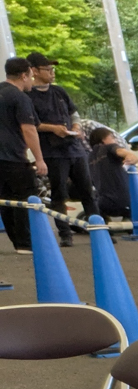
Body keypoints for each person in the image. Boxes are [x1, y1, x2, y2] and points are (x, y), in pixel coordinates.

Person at [27, 54, 92, 247]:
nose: (52, 73)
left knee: (88, 190)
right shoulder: (28, 96)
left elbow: (74, 113)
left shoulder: (60, 92)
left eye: (52, 69)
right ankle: (65, 233)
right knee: (59, 193)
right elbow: (30, 125)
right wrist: (53, 128)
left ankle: (99, 228)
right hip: (52, 151)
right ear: (34, 71)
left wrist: (77, 127)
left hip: (74, 148)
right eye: (47, 69)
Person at [0, 59, 45, 254]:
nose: (32, 80)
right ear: (23, 75)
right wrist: (39, 158)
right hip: (13, 157)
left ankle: (19, 242)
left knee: (5, 201)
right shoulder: (20, 98)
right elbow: (29, 129)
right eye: (31, 76)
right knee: (26, 198)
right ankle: (26, 243)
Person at [87, 126, 138, 220]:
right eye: (112, 137)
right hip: (124, 200)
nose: (115, 140)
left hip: (102, 203)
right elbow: (120, 151)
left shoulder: (89, 157)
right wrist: (130, 155)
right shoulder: (109, 147)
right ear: (104, 140)